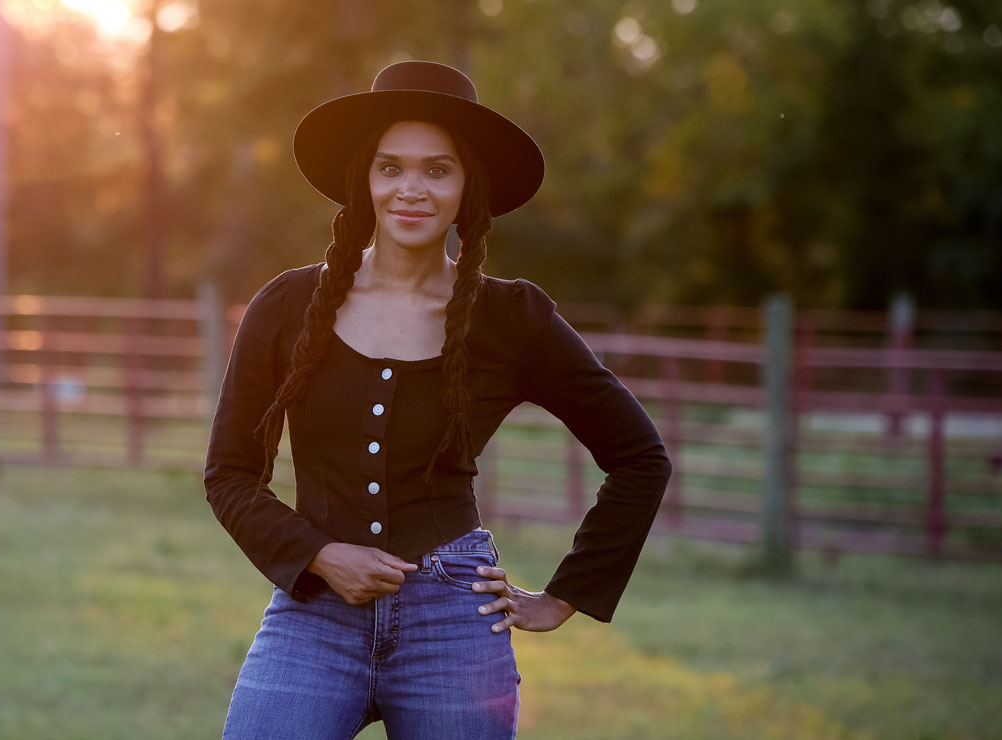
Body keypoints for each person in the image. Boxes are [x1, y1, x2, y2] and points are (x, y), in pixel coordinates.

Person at [203, 60, 672, 739]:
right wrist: (319, 555)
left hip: (453, 623)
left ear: (466, 186)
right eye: (390, 168)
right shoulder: (286, 306)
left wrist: (565, 597)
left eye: (436, 169)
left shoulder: (512, 318)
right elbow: (229, 476)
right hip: (314, 615)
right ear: (365, 180)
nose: (411, 190)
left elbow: (639, 457)